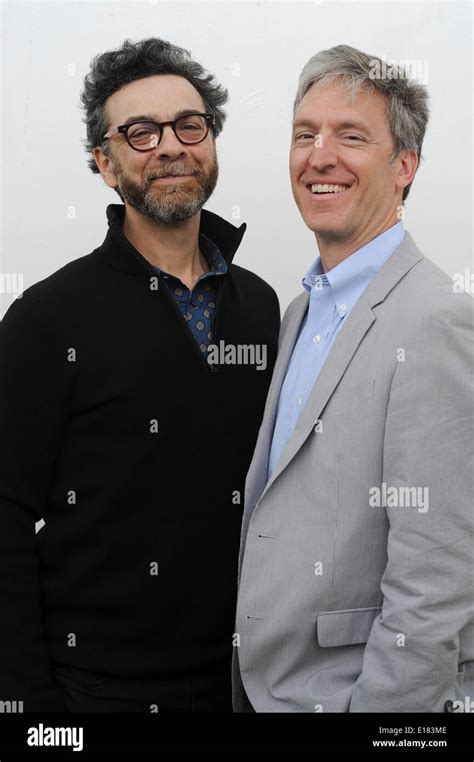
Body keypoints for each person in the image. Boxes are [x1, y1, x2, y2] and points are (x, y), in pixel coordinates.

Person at [0, 37, 280, 713]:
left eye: (190, 125)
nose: (171, 147)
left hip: (251, 686)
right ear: (104, 161)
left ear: (210, 141)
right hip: (94, 694)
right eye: (139, 132)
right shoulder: (47, 318)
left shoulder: (263, 307)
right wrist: (34, 710)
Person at [233, 44, 473, 712]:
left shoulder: (436, 320)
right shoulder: (299, 311)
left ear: (405, 167)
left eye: (350, 136)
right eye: (305, 134)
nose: (319, 155)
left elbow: (437, 582)